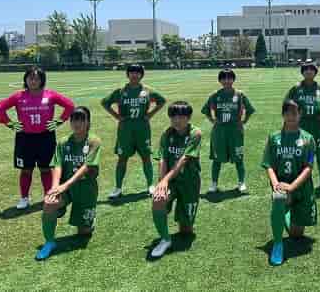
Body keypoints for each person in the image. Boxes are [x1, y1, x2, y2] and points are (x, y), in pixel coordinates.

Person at [0, 66, 74, 209]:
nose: (33, 81)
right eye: (30, 77)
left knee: (46, 169)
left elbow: (69, 105)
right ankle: (24, 198)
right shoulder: (19, 96)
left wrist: (59, 121)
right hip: (25, 138)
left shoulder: (50, 95)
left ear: (42, 80)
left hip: (46, 137)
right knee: (26, 169)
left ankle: (48, 196)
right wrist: (10, 124)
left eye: (37, 78)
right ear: (26, 79)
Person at [35, 106, 101, 260]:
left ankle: (88, 221)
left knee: (84, 233)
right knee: (49, 203)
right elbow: (57, 165)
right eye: (74, 120)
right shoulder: (63, 142)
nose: (77, 123)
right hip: (66, 188)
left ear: (88, 122)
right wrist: (55, 187)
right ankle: (50, 242)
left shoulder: (94, 141)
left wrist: (64, 185)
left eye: (81, 119)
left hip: (86, 189)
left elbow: (85, 168)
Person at [261, 100, 317, 266]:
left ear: (300, 114)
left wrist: (292, 187)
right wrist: (276, 184)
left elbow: (308, 167)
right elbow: (268, 164)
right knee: (279, 199)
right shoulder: (274, 138)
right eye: (287, 113)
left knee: (296, 235)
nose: (291, 116)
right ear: (283, 114)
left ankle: (286, 213)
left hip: (302, 188)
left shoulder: (309, 138)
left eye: (295, 113)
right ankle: (278, 244)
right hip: (281, 185)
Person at [101, 64, 166, 198]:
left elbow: (162, 101)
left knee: (146, 157)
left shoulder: (147, 91)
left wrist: (150, 114)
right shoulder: (120, 91)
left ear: (141, 75)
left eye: (137, 73)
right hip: (125, 130)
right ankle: (118, 188)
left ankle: (150, 186)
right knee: (122, 158)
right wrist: (117, 116)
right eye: (132, 72)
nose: (134, 75)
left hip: (142, 129)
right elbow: (104, 102)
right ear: (128, 74)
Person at [150, 101, 202, 259]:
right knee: (158, 199)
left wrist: (165, 180)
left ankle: (184, 225)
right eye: (173, 116)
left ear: (189, 117)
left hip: (189, 182)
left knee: (186, 230)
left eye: (181, 116)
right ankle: (165, 240)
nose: (177, 120)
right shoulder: (167, 134)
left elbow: (184, 159)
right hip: (171, 180)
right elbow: (163, 159)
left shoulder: (195, 133)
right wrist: (161, 183)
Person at [201, 69, 255, 193]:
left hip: (235, 131)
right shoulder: (215, 95)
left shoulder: (239, 94)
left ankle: (241, 183)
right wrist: (213, 121)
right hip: (219, 132)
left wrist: (244, 121)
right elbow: (205, 110)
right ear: (220, 80)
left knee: (238, 158)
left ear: (233, 79)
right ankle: (214, 184)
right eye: (223, 78)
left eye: (229, 78)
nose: (226, 81)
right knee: (216, 159)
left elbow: (250, 109)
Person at [285, 61, 320, 193]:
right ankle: (300, 181)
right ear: (302, 72)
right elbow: (287, 104)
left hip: (317, 126)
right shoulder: (296, 88)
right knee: (301, 153)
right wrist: (292, 119)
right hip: (301, 126)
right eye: (306, 69)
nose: (308, 71)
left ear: (315, 72)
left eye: (311, 69)